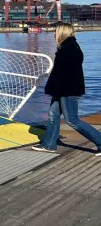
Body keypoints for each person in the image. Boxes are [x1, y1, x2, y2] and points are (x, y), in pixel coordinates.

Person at [33, 23, 101, 154]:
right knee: (53, 115)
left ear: (62, 32)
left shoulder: (68, 49)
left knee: (72, 119)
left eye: (55, 31)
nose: (53, 33)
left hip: (68, 90)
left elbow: (65, 74)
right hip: (62, 89)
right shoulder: (69, 47)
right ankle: (49, 144)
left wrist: (54, 87)